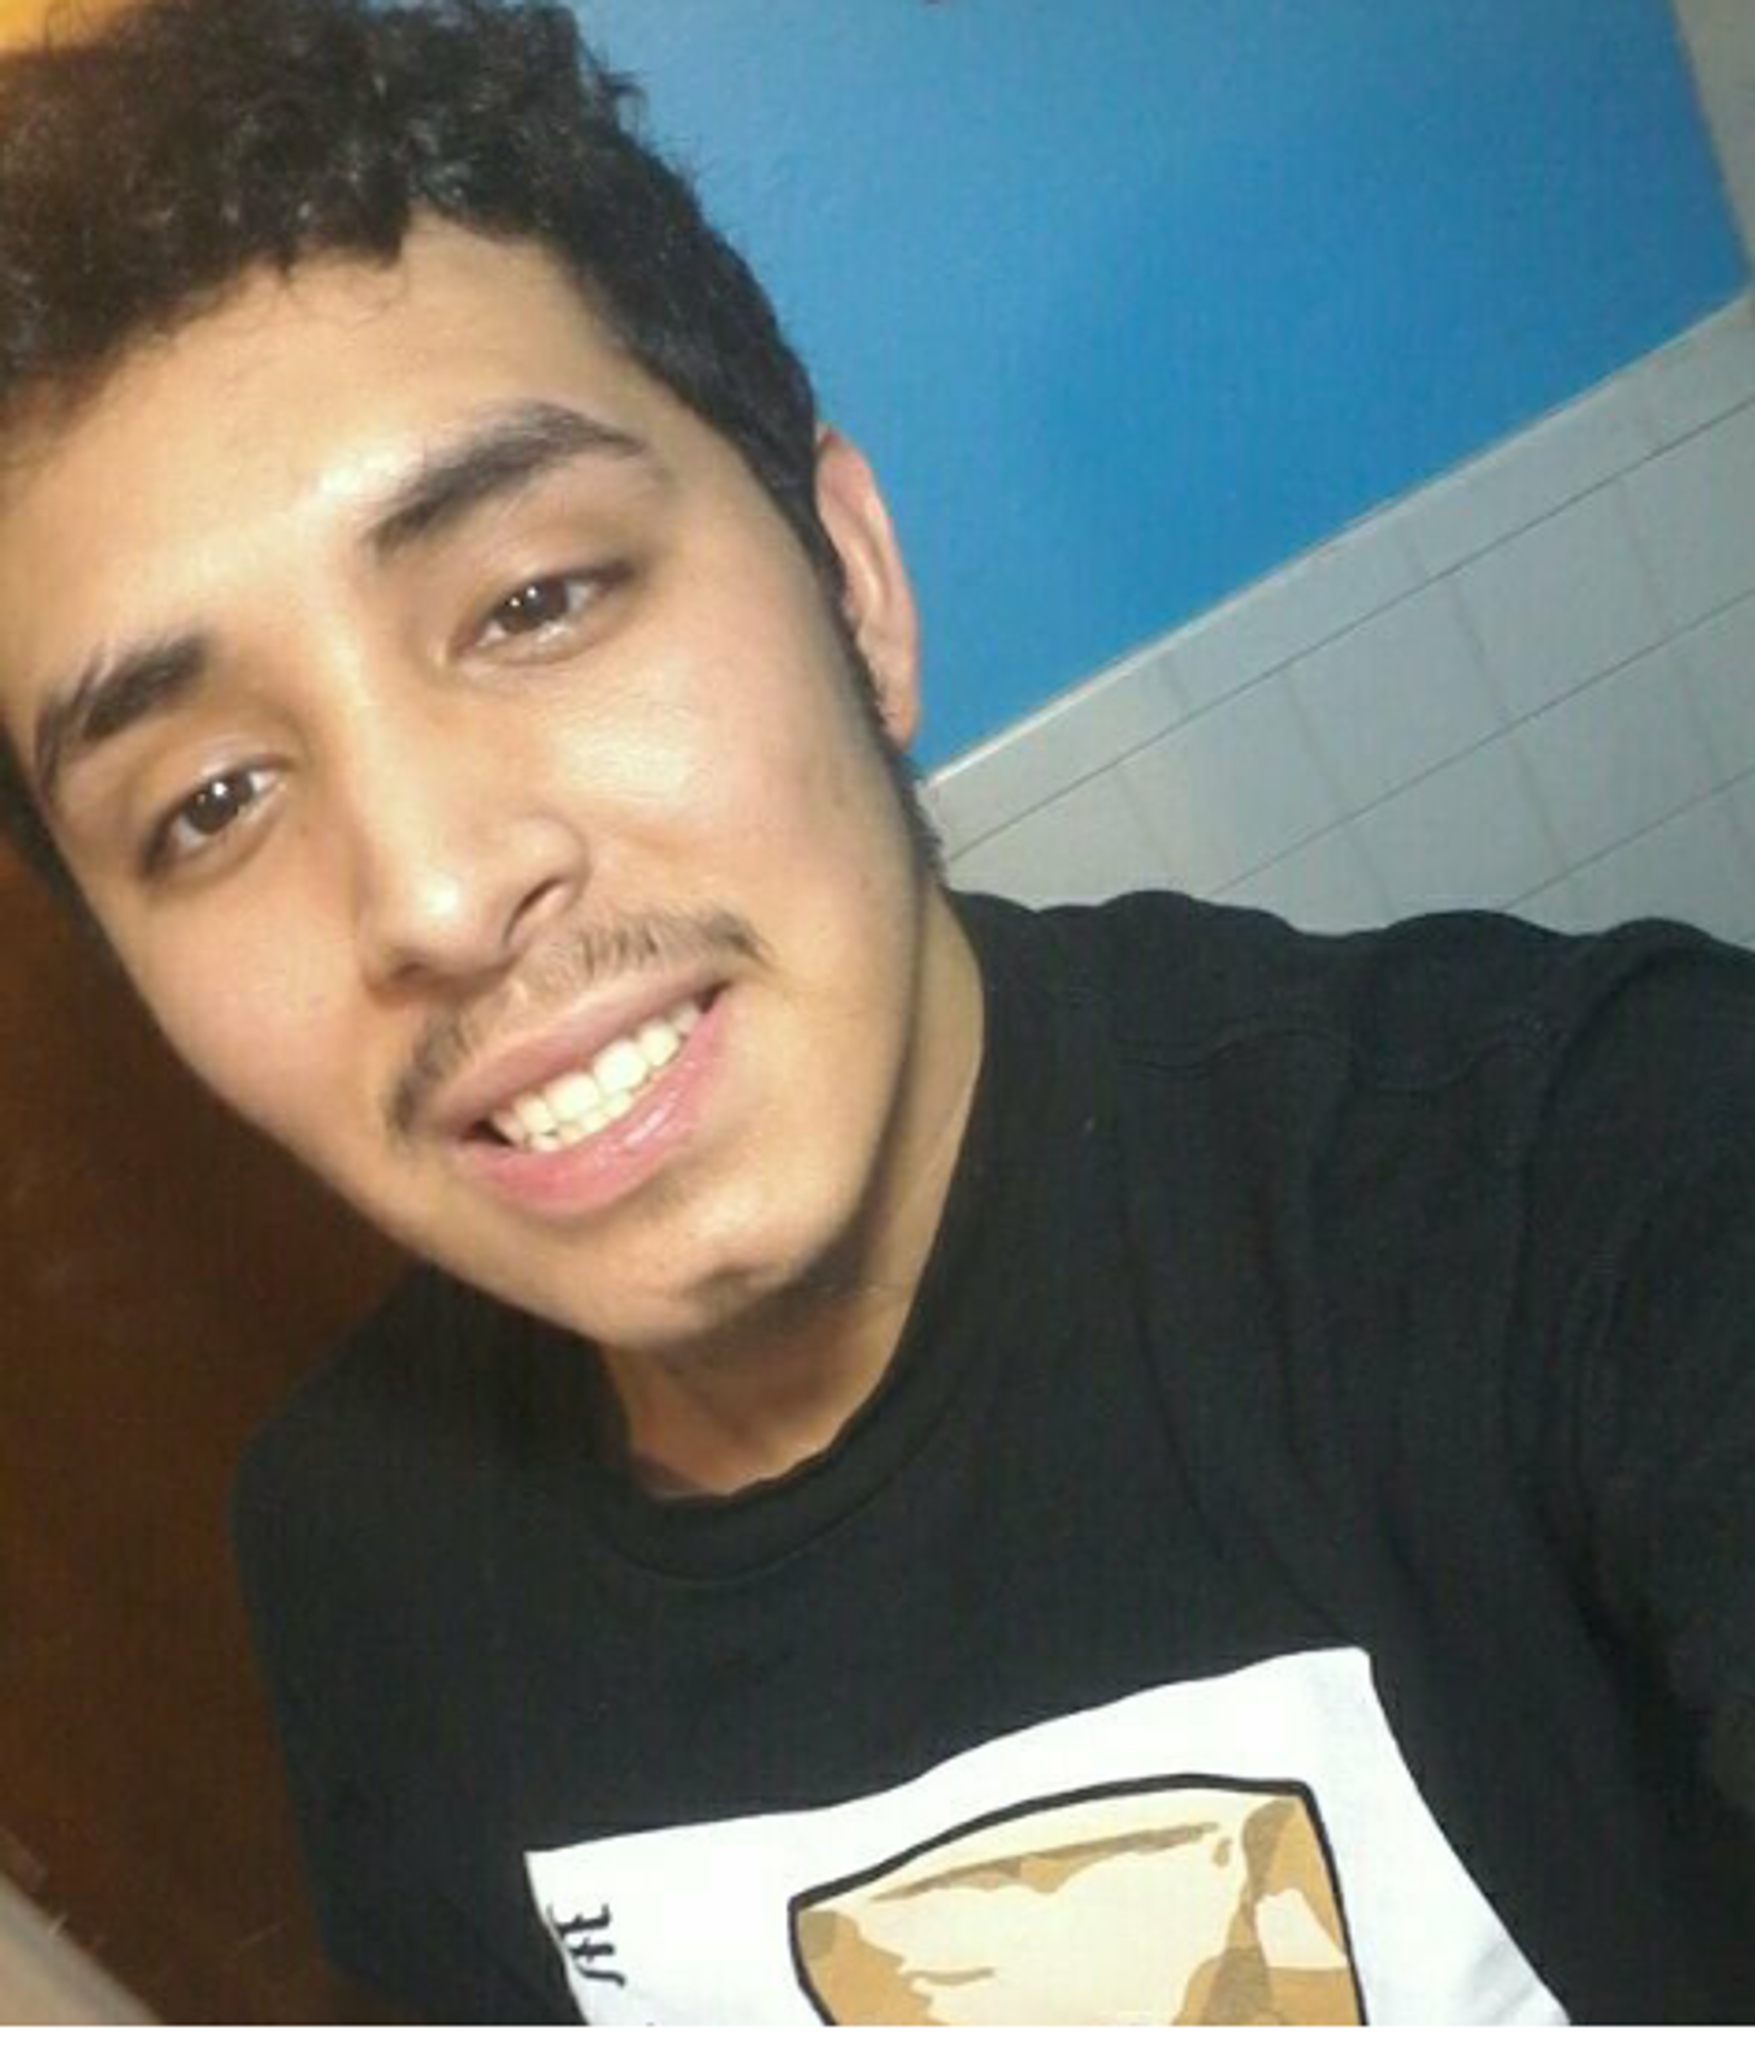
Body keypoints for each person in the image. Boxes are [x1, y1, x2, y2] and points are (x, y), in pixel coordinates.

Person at [0, 0, 1749, 2023]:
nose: (439, 896)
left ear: (852, 581)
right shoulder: (350, 1559)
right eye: (210, 802)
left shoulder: (1589, 1179)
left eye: (535, 599)